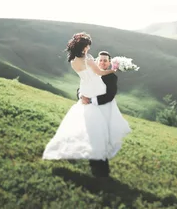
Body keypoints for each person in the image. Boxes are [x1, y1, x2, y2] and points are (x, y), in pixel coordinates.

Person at [42, 32, 128, 177]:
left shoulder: (73, 61)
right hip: (91, 98)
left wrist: (82, 94)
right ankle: (99, 168)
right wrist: (115, 68)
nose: (89, 49)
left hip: (86, 92)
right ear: (85, 46)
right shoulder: (88, 59)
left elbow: (86, 79)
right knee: (96, 134)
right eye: (88, 46)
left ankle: (91, 161)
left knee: (85, 132)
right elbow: (100, 73)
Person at [77, 50, 131, 177]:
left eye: (105, 60)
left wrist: (91, 100)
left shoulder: (111, 77)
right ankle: (94, 164)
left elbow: (109, 95)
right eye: (100, 60)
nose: (102, 62)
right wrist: (81, 96)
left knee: (100, 138)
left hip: (103, 110)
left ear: (109, 63)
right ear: (97, 61)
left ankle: (102, 170)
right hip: (88, 110)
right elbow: (81, 87)